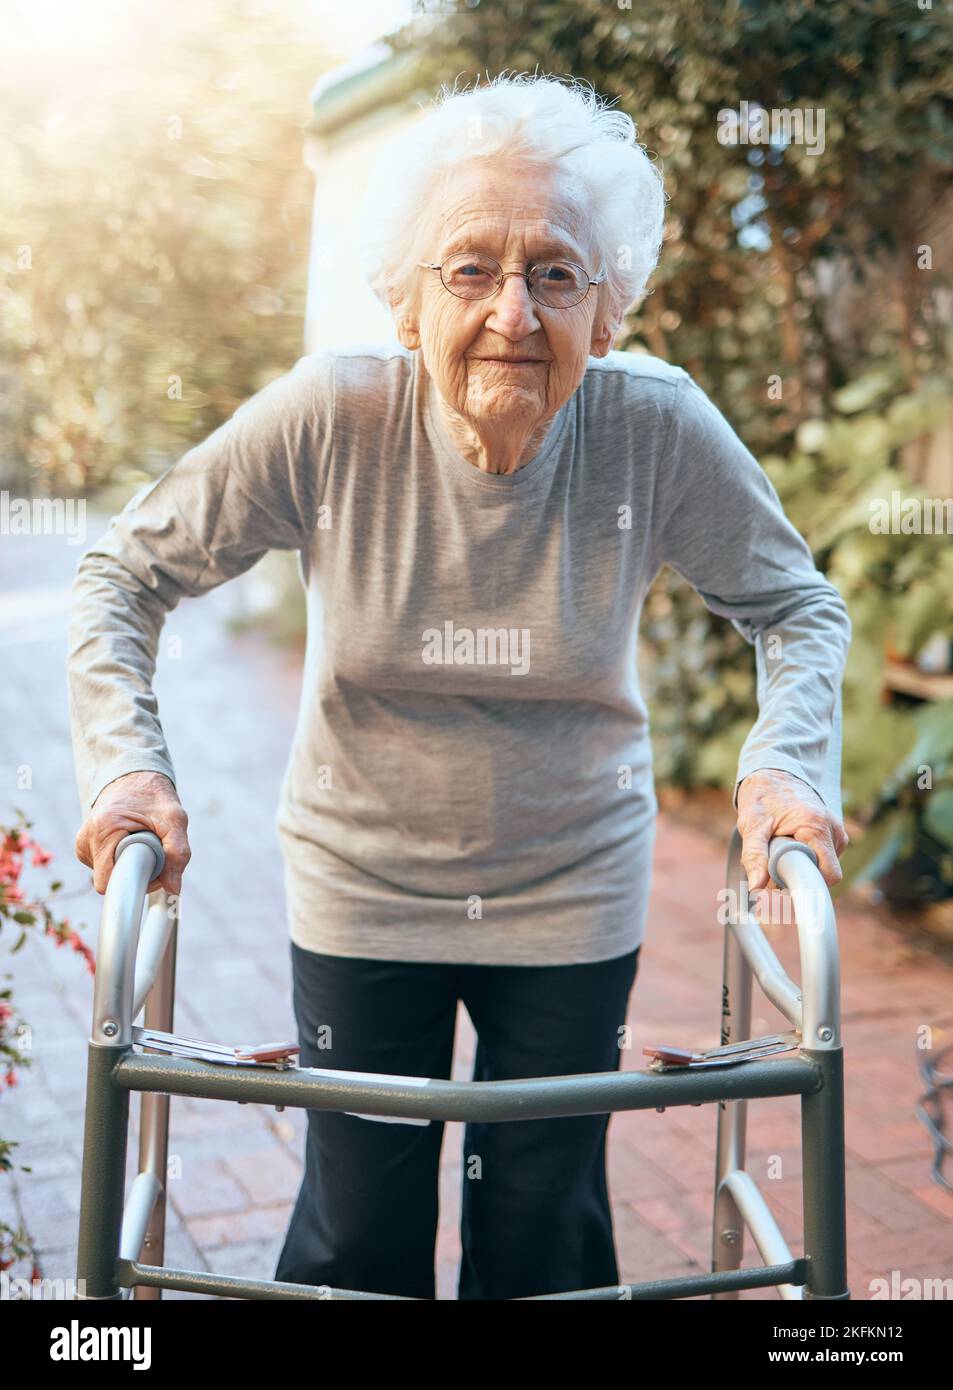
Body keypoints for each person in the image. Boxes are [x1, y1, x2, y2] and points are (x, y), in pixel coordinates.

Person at [67, 73, 850, 1300]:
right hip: (361, 882)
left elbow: (795, 605)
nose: (512, 313)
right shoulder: (333, 418)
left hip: (570, 885)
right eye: (468, 270)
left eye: (554, 274)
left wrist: (783, 762)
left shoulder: (652, 426)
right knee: (355, 1231)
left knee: (542, 1227)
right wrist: (127, 760)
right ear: (403, 297)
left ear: (608, 309)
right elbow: (121, 573)